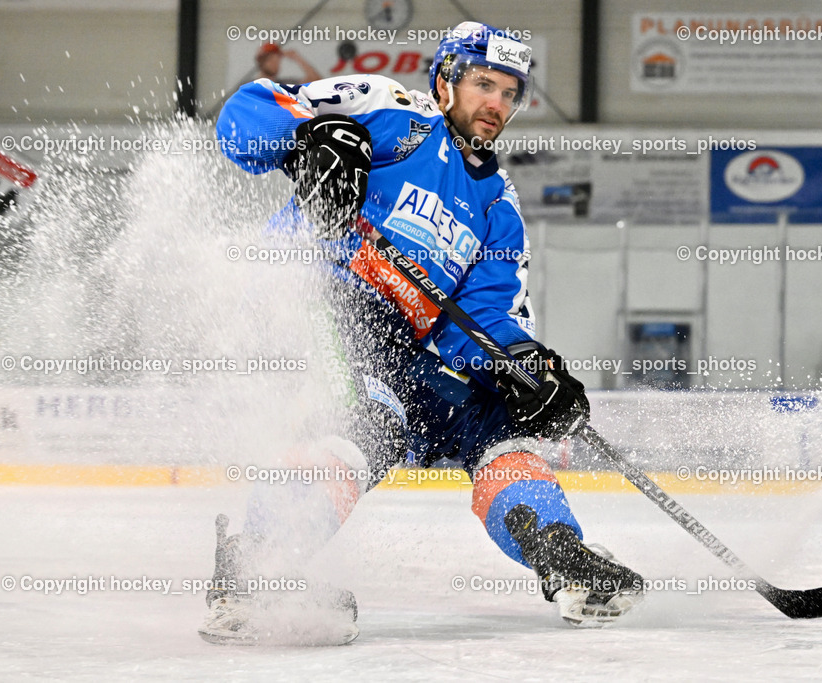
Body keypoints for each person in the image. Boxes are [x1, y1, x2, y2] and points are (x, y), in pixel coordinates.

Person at [201, 21, 644, 645]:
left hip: (402, 344)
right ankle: (255, 567)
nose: (496, 103)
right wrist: (307, 142)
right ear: (444, 84)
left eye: (510, 93)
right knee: (370, 415)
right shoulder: (388, 110)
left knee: (499, 422)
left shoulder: (497, 207)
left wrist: (529, 369)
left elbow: (484, 319)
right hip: (313, 293)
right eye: (483, 84)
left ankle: (560, 554)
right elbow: (248, 110)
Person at [255, 42, 322, 83]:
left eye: (277, 60)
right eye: (270, 60)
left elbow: (316, 81)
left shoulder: (284, 85)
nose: (274, 64)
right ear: (261, 62)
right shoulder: (251, 86)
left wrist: (297, 57)